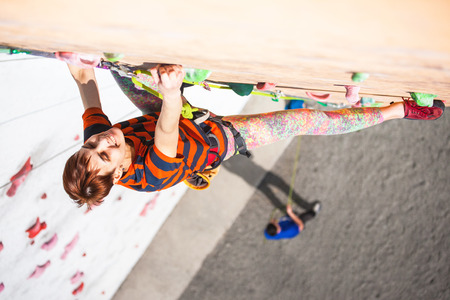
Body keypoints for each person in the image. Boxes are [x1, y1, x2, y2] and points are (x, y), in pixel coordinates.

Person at [62, 63, 445, 208]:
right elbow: (167, 124)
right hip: (213, 140)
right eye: (105, 153)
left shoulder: (99, 145)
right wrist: (171, 90)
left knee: (119, 66)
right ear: (118, 174)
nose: (104, 140)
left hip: (174, 124)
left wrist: (77, 57)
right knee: (301, 122)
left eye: (91, 143)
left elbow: (84, 79)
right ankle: (400, 112)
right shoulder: (151, 174)